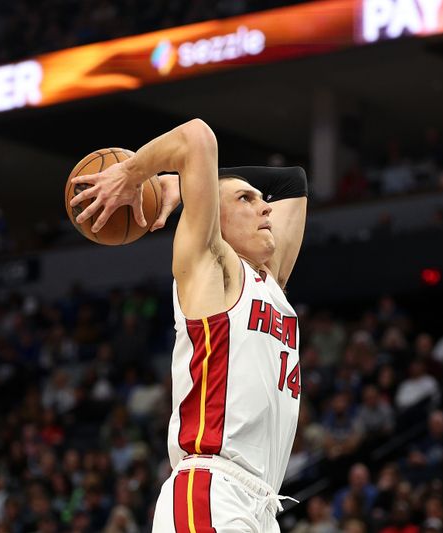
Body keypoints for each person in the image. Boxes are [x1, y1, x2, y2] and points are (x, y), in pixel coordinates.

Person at [69, 119, 308, 532]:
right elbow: (197, 135)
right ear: (215, 220)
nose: (266, 206)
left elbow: (292, 182)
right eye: (247, 199)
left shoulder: (272, 281)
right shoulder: (212, 269)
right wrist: (134, 172)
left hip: (261, 503)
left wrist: (191, 184)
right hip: (211, 489)